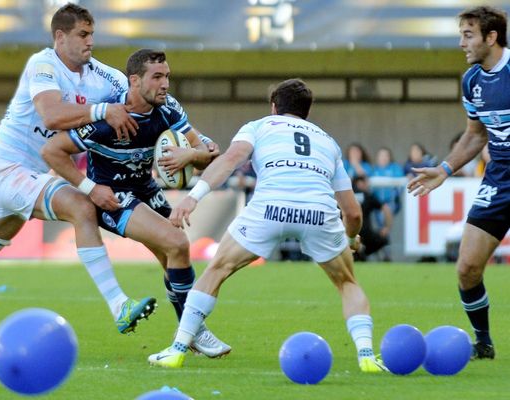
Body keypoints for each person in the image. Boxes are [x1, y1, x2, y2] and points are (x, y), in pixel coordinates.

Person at [0, 3, 157, 335]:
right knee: (81, 205)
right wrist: (103, 112)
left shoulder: (104, 77)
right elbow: (52, 115)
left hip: (32, 177)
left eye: (92, 34)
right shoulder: (42, 64)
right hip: (7, 170)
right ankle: (119, 305)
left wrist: (190, 141)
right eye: (82, 35)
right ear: (60, 36)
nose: (90, 42)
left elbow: (140, 100)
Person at [148, 78, 387, 373]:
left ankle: (178, 349)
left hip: (269, 209)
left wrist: (192, 198)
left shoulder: (259, 126)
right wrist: (350, 239)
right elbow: (352, 213)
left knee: (216, 270)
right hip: (318, 213)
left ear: (274, 107)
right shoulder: (328, 141)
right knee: (347, 283)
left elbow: (230, 160)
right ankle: (366, 355)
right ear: (307, 113)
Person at [42, 49, 230, 358]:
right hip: (113, 197)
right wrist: (90, 189)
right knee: (177, 243)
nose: (165, 84)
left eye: (167, 76)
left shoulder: (168, 109)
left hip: (145, 188)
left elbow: (209, 152)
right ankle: (192, 332)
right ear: (134, 80)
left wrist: (190, 155)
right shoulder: (108, 120)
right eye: (157, 77)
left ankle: (192, 332)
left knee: (172, 256)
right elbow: (51, 152)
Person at [407, 5, 510, 360]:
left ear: (491, 37)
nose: (461, 43)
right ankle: (483, 342)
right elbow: (475, 135)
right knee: (467, 267)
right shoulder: (472, 81)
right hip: (500, 180)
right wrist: (445, 169)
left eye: (468, 35)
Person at [352, 175, 393, 261]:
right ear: (360, 183)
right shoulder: (367, 195)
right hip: (367, 235)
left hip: (350, 235)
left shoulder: (347, 196)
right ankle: (385, 259)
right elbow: (386, 209)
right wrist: (386, 227)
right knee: (384, 240)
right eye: (366, 183)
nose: (368, 185)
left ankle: (359, 254)